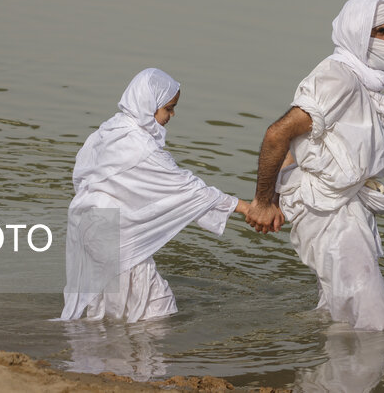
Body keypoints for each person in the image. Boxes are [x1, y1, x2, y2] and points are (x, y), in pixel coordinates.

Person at [246, 0, 384, 331]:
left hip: (344, 207)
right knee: (376, 323)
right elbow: (277, 134)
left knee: (344, 314)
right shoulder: (338, 78)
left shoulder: (365, 81)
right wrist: (263, 201)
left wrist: (276, 194)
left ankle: (321, 374)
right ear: (358, 33)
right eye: (381, 32)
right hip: (329, 211)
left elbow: (303, 142)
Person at [60, 68, 249, 323]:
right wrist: (246, 208)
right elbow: (187, 189)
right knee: (157, 309)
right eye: (168, 108)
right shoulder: (143, 148)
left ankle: (102, 357)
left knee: (104, 308)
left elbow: (82, 175)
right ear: (150, 104)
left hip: (90, 226)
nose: (172, 115)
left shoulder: (109, 130)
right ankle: (131, 361)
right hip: (116, 234)